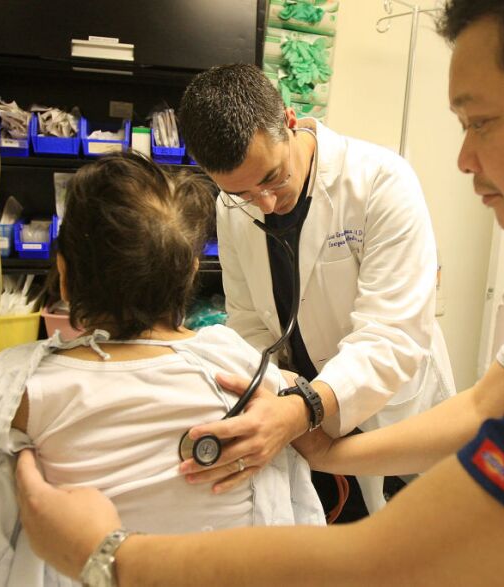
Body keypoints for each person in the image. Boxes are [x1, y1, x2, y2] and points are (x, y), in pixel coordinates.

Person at [15, 0, 504, 584]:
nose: (464, 158)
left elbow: (386, 562)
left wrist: (108, 556)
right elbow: (483, 406)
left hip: (390, 416)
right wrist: (317, 442)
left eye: (482, 122)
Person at [0, 152, 324, 586]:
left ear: (63, 273)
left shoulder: (11, 395)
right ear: (190, 272)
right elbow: (302, 456)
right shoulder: (236, 365)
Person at [175, 63, 456, 517]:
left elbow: (392, 335)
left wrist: (304, 406)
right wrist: (269, 385)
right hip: (306, 415)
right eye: (242, 193)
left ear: (288, 121)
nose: (264, 203)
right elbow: (248, 322)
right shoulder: (229, 210)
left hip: (392, 410)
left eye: (271, 178)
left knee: (416, 538)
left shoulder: (380, 181)